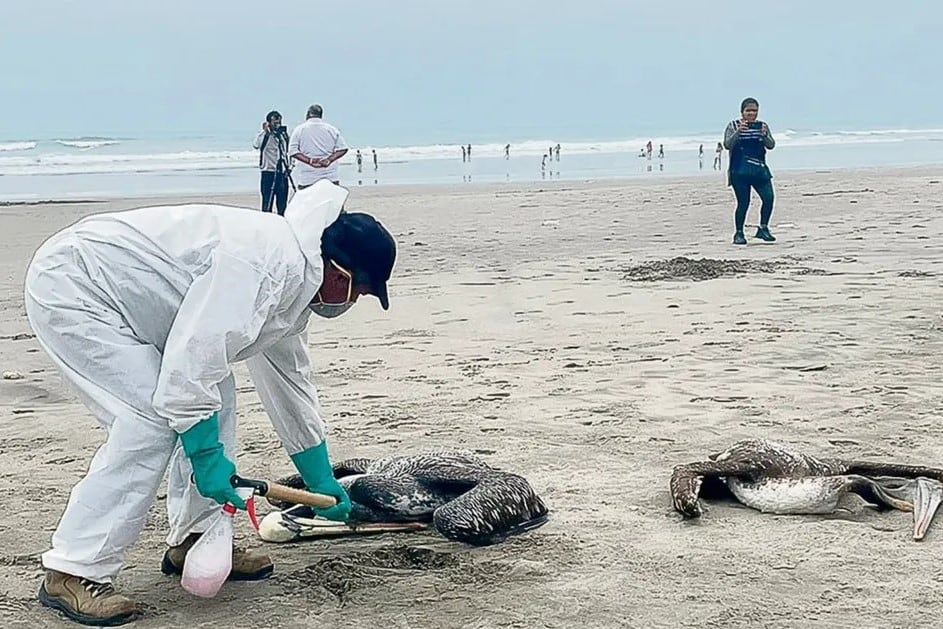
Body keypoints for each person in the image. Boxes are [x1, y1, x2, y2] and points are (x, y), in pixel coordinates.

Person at [25, 181, 396, 626]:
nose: (353, 302)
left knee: (215, 397)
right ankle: (71, 570)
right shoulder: (265, 267)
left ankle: (195, 539)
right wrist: (205, 457)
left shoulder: (297, 285)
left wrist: (320, 479)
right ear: (339, 273)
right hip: (78, 287)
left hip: (139, 305)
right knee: (151, 422)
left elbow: (288, 382)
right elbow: (190, 366)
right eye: (360, 292)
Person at [723, 97, 776, 245]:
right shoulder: (733, 125)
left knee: (769, 198)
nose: (751, 114)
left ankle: (763, 228)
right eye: (748, 111)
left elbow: (771, 145)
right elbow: (727, 144)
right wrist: (739, 132)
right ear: (742, 112)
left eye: (754, 111)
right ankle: (739, 233)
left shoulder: (762, 126)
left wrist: (765, 135)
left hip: (759, 169)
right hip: (739, 171)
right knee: (743, 202)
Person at [288, 104, 349, 188]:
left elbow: (292, 151)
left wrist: (310, 160)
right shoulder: (331, 129)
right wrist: (329, 160)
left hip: (307, 178)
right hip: (330, 177)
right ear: (321, 115)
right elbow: (343, 148)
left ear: (308, 114)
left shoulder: (299, 129)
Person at [252, 110, 292, 215]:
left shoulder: (283, 135)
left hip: (282, 173)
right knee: (267, 204)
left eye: (279, 123)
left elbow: (288, 151)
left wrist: (290, 166)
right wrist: (265, 132)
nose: (277, 126)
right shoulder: (264, 136)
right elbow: (256, 145)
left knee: (282, 205)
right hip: (268, 172)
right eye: (275, 123)